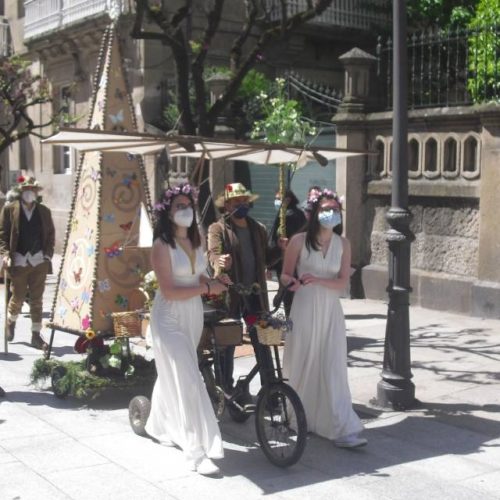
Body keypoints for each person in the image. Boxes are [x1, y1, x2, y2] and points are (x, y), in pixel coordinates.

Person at [144, 183, 227, 476]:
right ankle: (196, 450)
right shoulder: (160, 246)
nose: (186, 211)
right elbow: (169, 290)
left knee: (177, 372)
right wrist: (206, 287)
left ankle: (157, 422)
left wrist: (218, 282)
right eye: (179, 206)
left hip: (192, 313)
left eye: (188, 205)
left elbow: (199, 273)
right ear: (167, 213)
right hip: (168, 316)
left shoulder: (197, 240)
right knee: (189, 378)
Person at [281, 187, 367, 448]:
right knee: (303, 361)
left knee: (332, 365)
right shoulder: (298, 241)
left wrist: (318, 279)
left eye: (335, 210)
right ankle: (297, 418)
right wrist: (292, 282)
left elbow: (342, 282)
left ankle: (340, 426)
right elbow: (283, 274)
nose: (331, 214)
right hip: (305, 306)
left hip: (330, 310)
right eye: (326, 209)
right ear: (315, 212)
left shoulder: (344, 244)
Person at [207, 183, 281, 390]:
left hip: (255, 297)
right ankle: (226, 390)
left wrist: (280, 250)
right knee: (228, 343)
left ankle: (271, 390)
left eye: (244, 201)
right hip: (231, 298)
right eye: (236, 202)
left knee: (262, 341)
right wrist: (219, 261)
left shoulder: (258, 228)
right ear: (227, 205)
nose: (242, 205)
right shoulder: (218, 228)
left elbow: (266, 259)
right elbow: (212, 253)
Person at [0, 176, 55, 350]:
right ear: (21, 192)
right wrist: (5, 254)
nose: (29, 192)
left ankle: (36, 335)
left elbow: (51, 235)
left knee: (37, 300)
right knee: (17, 297)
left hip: (39, 261)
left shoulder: (44, 211)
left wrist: (47, 255)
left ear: (36, 192)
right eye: (26, 189)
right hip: (18, 261)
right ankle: (10, 322)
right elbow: (2, 235)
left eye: (33, 189)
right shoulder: (9, 210)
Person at [270, 189, 306, 316]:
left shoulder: (290, 216)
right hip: (286, 259)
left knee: (289, 292)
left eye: (279, 199)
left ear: (288, 200)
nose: (277, 202)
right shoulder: (285, 214)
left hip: (289, 259)